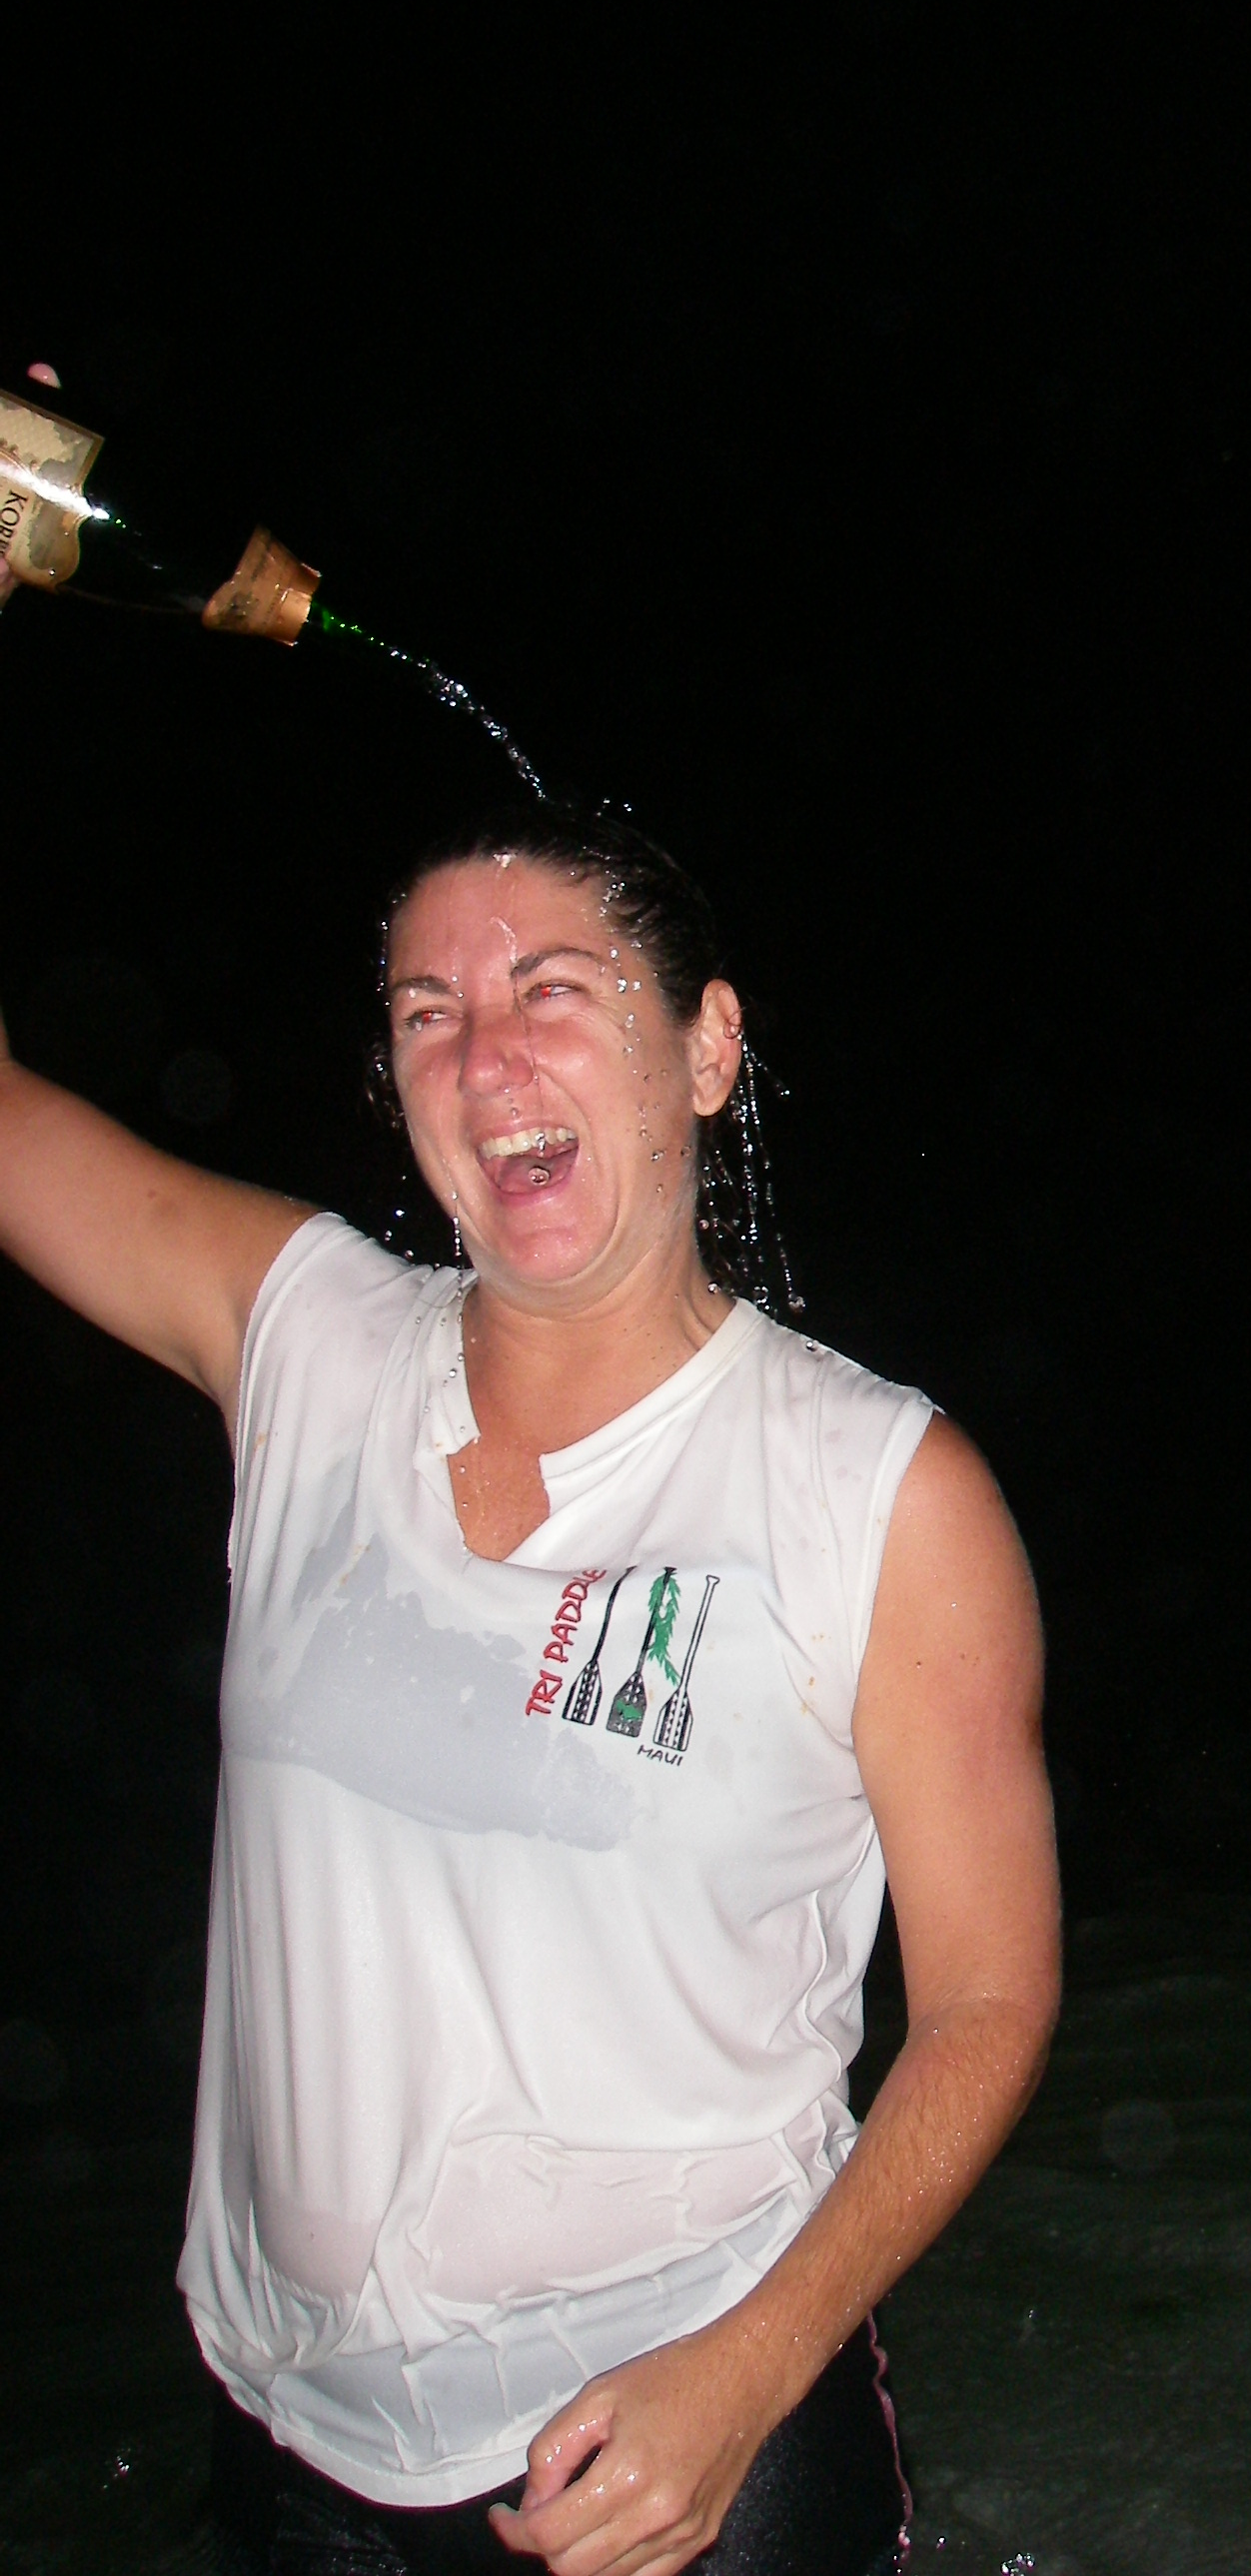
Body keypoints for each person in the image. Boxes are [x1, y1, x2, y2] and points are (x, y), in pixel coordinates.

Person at [0, 805, 1061, 2576]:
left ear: (707, 1049)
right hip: (294, 2430)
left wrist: (752, 2370)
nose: (485, 1056)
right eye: (428, 1013)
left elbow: (987, 2003)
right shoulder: (310, 1343)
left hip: (691, 2436)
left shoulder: (878, 1493)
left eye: (552, 989)